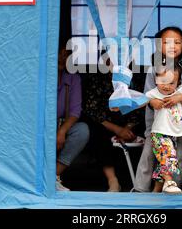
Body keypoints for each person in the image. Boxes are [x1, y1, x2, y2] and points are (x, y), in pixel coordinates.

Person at [134, 26, 182, 192]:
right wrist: (153, 101)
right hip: (156, 122)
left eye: (177, 42)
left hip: (179, 123)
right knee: (150, 153)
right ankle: (140, 189)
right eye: (167, 42)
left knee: (179, 155)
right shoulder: (153, 70)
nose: (173, 46)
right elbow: (147, 96)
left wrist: (179, 97)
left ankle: (174, 187)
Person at [82, 56, 144, 192]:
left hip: (130, 124)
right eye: (113, 58)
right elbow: (91, 110)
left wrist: (127, 129)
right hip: (105, 124)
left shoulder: (134, 78)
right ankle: (113, 181)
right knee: (98, 134)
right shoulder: (97, 78)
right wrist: (117, 130)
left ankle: (139, 183)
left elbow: (141, 105)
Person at [146, 68, 182, 193]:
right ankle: (169, 182)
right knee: (168, 155)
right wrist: (152, 101)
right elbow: (140, 102)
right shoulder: (153, 93)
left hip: (175, 134)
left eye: (172, 83)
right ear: (155, 80)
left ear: (178, 82)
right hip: (159, 133)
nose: (166, 86)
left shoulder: (181, 90)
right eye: (163, 81)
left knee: (165, 160)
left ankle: (156, 190)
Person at [56, 48, 90, 191]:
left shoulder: (72, 78)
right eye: (60, 53)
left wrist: (62, 131)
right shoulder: (40, 75)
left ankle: (52, 176)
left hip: (60, 125)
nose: (64, 57)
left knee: (82, 131)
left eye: (67, 54)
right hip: (41, 125)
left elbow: (75, 112)